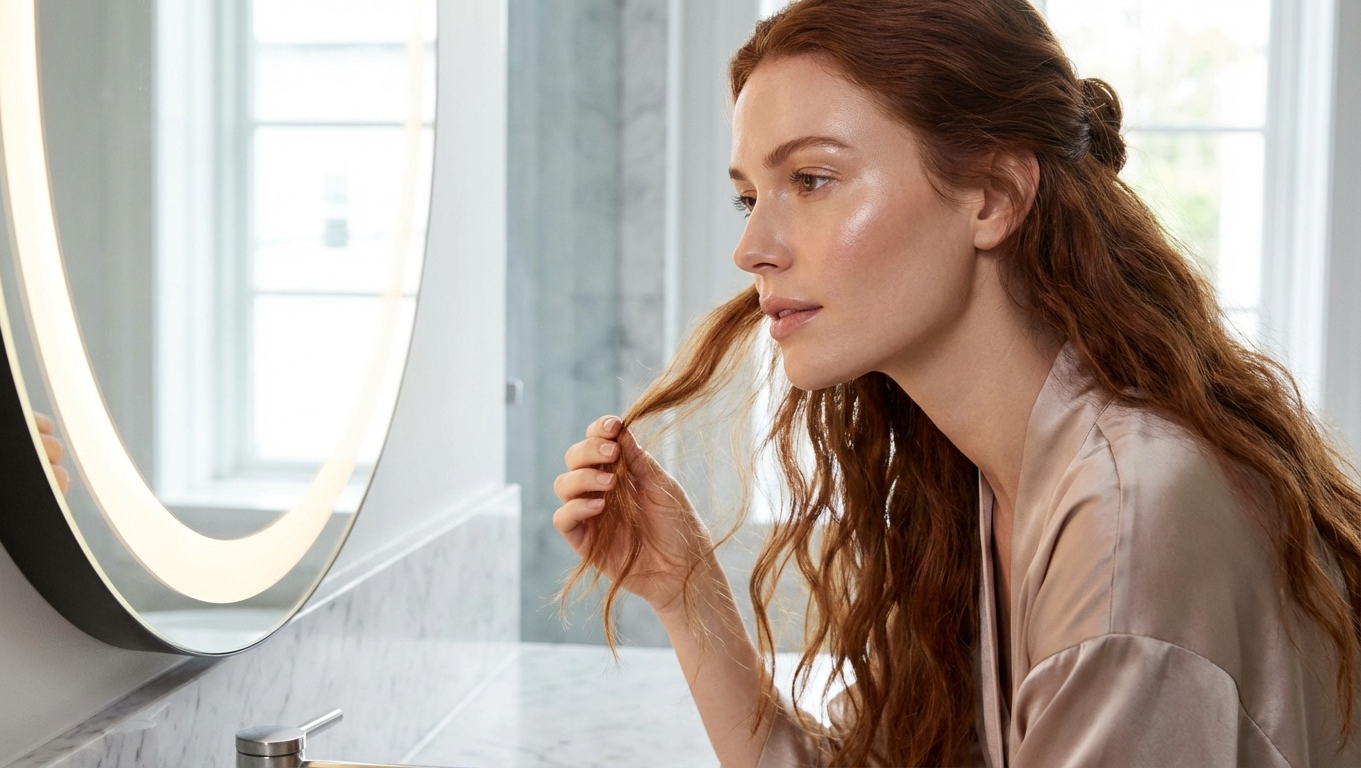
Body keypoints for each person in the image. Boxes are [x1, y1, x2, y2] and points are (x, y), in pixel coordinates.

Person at [551, 0, 1361, 765]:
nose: (753, 246)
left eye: (812, 180)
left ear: (993, 196)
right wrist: (686, 588)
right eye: (748, 197)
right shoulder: (984, 486)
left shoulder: (1128, 516)